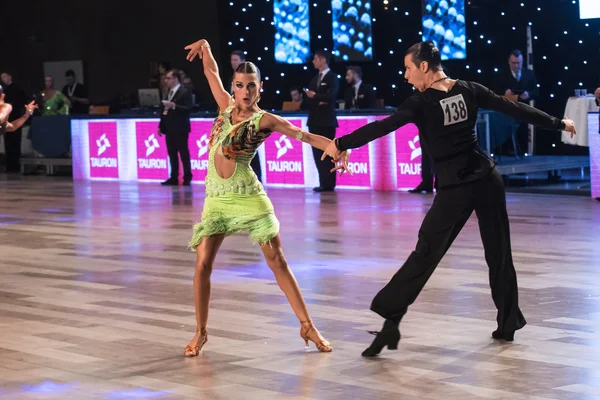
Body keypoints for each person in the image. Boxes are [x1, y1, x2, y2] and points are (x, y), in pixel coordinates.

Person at [323, 41, 576, 357]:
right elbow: (513, 108)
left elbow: (382, 127)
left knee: (426, 252)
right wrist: (557, 123)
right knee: (498, 253)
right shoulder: (468, 89)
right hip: (487, 179)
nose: (405, 75)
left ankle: (393, 316)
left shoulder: (421, 102)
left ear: (424, 67)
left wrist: (340, 143)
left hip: (457, 188)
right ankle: (506, 321)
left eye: (408, 68)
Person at [181, 38, 351, 357]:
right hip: (216, 198)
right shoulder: (224, 106)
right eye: (240, 85)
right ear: (234, 86)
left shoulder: (265, 120)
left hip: (248, 196)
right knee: (202, 264)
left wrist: (336, 146)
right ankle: (201, 332)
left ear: (261, 88)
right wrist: (206, 45)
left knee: (277, 260)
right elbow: (210, 71)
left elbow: (304, 135)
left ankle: (307, 325)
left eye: (251, 86)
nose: (245, 91)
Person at [306, 50, 340, 192]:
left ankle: (329, 183)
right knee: (317, 153)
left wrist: (317, 97)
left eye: (315, 59)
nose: (313, 62)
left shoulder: (332, 77)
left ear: (322, 60)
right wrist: (318, 99)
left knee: (329, 152)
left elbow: (331, 96)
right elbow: (310, 97)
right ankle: (322, 182)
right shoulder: (314, 79)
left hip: (326, 121)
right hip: (314, 120)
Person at [158, 69, 193, 186]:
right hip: (170, 127)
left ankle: (187, 176)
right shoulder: (168, 92)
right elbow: (163, 111)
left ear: (175, 79)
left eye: (168, 78)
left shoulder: (184, 91)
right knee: (172, 153)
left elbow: (188, 108)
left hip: (181, 127)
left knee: (183, 152)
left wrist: (174, 106)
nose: (166, 80)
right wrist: (161, 125)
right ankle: (174, 177)